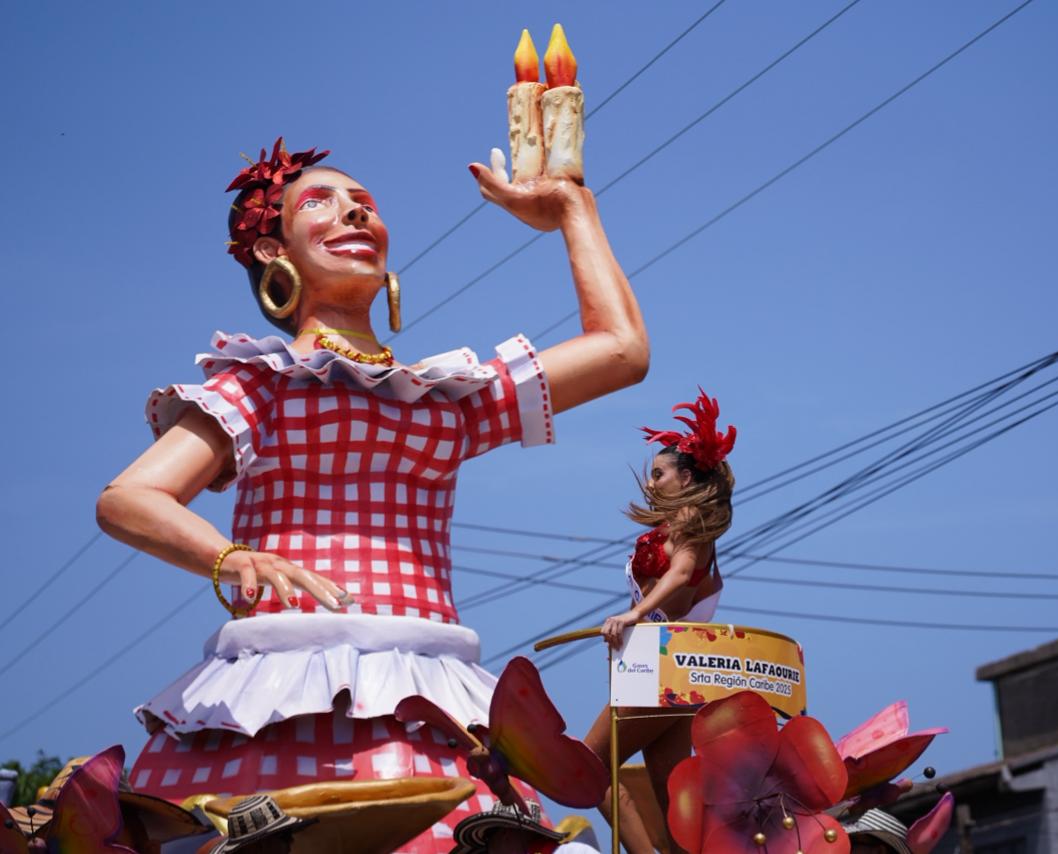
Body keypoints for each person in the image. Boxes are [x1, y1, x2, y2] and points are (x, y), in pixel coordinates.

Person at [94, 137, 647, 854]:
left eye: (365, 203)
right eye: (318, 203)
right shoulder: (263, 384)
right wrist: (233, 558)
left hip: (429, 686)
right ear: (273, 252)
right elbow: (129, 498)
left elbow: (622, 351)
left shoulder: (441, 398)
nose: (354, 212)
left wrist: (574, 209)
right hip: (283, 689)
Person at [586, 391, 736, 854]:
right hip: (674, 673)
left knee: (588, 767)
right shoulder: (683, 526)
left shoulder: (692, 519)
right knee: (671, 793)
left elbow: (681, 573)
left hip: (661, 671)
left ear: (686, 477)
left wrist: (632, 613)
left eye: (659, 474)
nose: (650, 484)